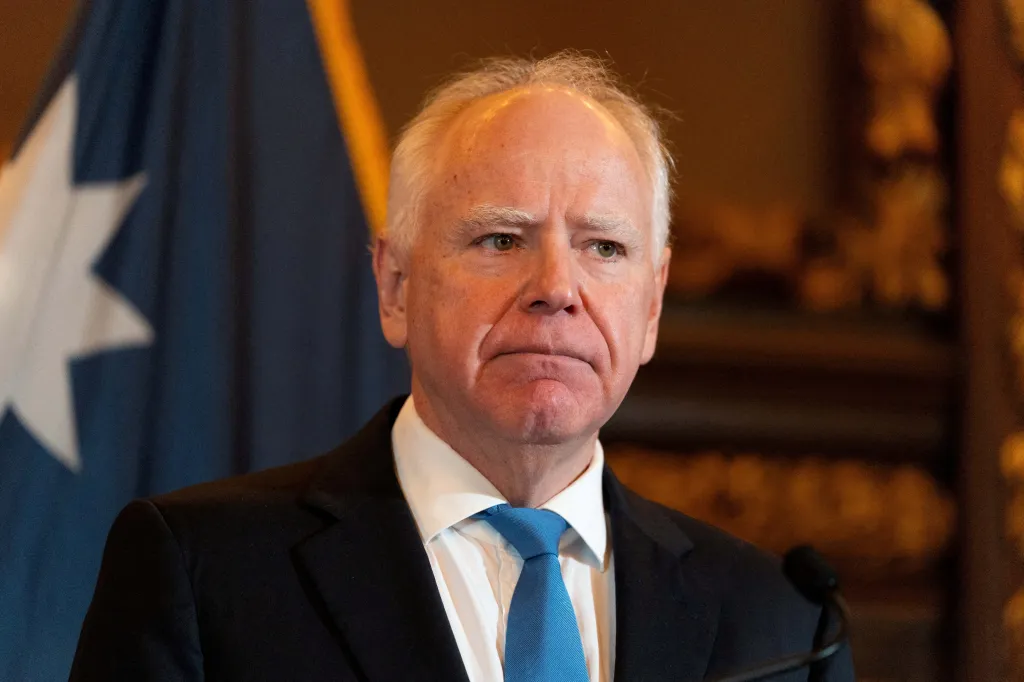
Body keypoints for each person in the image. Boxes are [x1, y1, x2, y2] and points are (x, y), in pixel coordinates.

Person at [69, 52, 855, 682]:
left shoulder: (779, 623)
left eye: (604, 248)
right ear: (395, 287)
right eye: (501, 240)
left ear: (651, 307)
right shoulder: (207, 574)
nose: (556, 289)